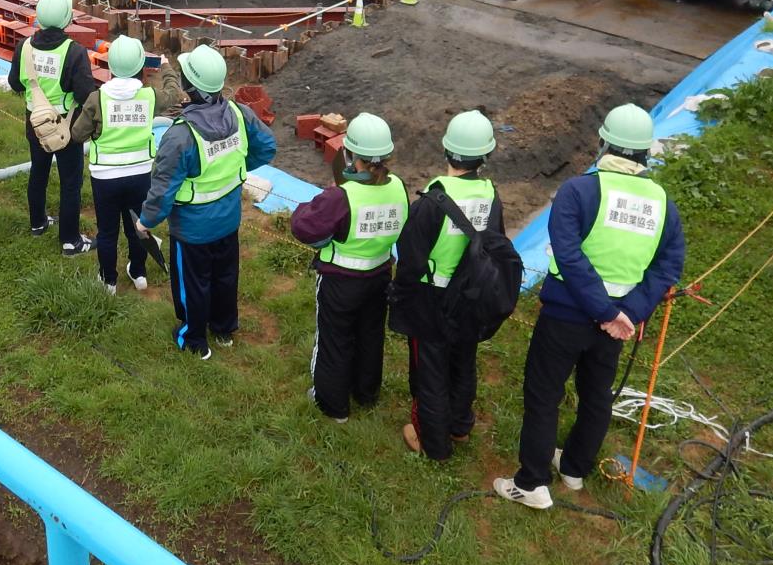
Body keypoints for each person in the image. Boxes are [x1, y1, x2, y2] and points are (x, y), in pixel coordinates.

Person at [493, 103, 684, 509]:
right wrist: (627, 313)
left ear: (604, 144)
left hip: (568, 315)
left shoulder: (579, 191)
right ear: (644, 152)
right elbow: (669, 265)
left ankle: (531, 483)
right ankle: (574, 469)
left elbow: (568, 254)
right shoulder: (662, 202)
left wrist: (607, 312)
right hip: (617, 324)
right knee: (596, 393)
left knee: (544, 394)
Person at [136, 45, 276, 360]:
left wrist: (146, 221)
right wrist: (235, 166)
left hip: (193, 231)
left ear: (189, 86)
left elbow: (163, 188)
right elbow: (267, 147)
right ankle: (224, 329)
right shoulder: (240, 114)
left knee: (193, 284)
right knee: (225, 276)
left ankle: (194, 339)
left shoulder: (180, 135)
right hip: (228, 220)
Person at [390, 110, 504, 459]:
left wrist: (399, 297)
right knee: (463, 360)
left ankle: (433, 443)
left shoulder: (430, 202)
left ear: (446, 150)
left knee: (431, 371)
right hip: (471, 295)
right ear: (485, 156)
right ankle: (459, 426)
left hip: (432, 298)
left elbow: (410, 260)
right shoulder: (491, 196)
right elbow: (495, 243)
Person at [290, 113, 406, 422]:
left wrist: (314, 202)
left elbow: (304, 227)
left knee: (334, 340)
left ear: (351, 154)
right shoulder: (398, 187)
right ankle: (366, 394)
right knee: (370, 336)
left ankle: (332, 405)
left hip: (340, 281)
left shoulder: (341, 196)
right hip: (381, 276)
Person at [71, 35, 184, 294]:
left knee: (107, 231)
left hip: (105, 176)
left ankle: (108, 280)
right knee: (138, 226)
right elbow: (173, 93)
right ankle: (139, 272)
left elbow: (77, 134)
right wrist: (166, 66)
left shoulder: (97, 98)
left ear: (110, 66)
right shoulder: (149, 96)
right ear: (141, 66)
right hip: (140, 175)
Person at [8, 0, 97, 256]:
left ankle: (37, 223)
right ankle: (70, 240)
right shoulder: (74, 52)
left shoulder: (24, 46)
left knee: (38, 171)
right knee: (70, 182)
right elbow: (85, 94)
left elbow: (15, 83)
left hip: (34, 123)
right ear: (67, 19)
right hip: (65, 127)